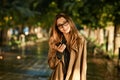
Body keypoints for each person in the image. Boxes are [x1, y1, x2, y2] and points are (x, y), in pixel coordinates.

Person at [48, 13, 87, 80]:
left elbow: (83, 66)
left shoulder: (80, 41)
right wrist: (59, 53)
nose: (64, 27)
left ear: (69, 22)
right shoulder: (55, 42)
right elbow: (51, 65)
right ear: (57, 28)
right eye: (60, 25)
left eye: (65, 23)